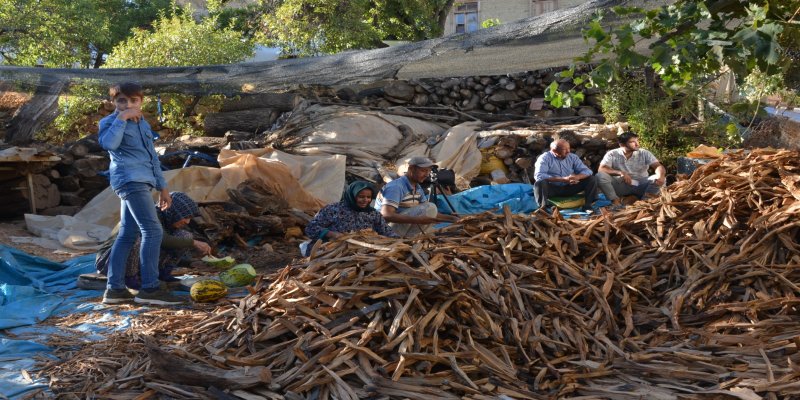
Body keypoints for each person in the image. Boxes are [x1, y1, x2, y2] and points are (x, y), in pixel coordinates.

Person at [98, 82, 183, 306]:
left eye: (133, 100)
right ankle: (150, 289)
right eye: (122, 100)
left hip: (144, 181)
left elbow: (152, 157)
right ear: (113, 102)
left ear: (141, 102)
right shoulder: (109, 122)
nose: (128, 105)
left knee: (127, 233)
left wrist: (162, 186)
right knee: (153, 231)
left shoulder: (143, 124)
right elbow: (109, 144)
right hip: (128, 180)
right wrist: (122, 118)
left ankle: (115, 290)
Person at [93, 192, 212, 289]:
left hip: (138, 259)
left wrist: (189, 262)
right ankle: (130, 279)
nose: (187, 222)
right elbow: (164, 240)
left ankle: (163, 272)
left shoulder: (168, 218)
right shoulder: (151, 215)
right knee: (136, 239)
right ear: (175, 212)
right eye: (185, 217)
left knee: (185, 235)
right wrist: (194, 243)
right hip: (110, 261)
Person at [302, 181, 397, 255]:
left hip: (362, 251)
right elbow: (311, 228)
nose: (365, 200)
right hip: (331, 250)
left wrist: (400, 241)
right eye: (361, 196)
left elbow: (386, 231)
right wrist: (330, 234)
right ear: (352, 195)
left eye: (368, 197)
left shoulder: (372, 214)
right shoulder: (333, 209)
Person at [374, 156, 459, 237]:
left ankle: (412, 237)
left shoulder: (417, 188)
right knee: (431, 207)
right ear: (411, 169)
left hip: (399, 227)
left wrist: (452, 219)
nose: (427, 174)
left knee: (439, 229)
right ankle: (408, 238)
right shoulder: (396, 187)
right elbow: (386, 215)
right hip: (384, 229)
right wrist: (418, 220)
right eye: (423, 171)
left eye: (428, 171)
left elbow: (430, 212)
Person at [597, 131, 667, 210]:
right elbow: (601, 169)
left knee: (660, 178)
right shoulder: (612, 154)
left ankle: (645, 203)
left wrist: (660, 176)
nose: (637, 144)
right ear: (621, 144)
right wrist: (620, 173)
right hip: (621, 185)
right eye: (632, 142)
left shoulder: (644, 153)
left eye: (637, 141)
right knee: (600, 176)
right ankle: (616, 202)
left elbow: (658, 166)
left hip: (640, 184)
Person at [533, 139, 598, 211]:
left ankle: (588, 206)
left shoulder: (572, 157)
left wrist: (577, 177)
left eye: (569, 148)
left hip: (569, 187)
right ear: (554, 151)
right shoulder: (544, 158)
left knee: (591, 179)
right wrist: (563, 179)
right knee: (540, 183)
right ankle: (543, 208)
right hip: (552, 189)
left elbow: (587, 171)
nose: (568, 151)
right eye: (564, 149)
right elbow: (539, 175)